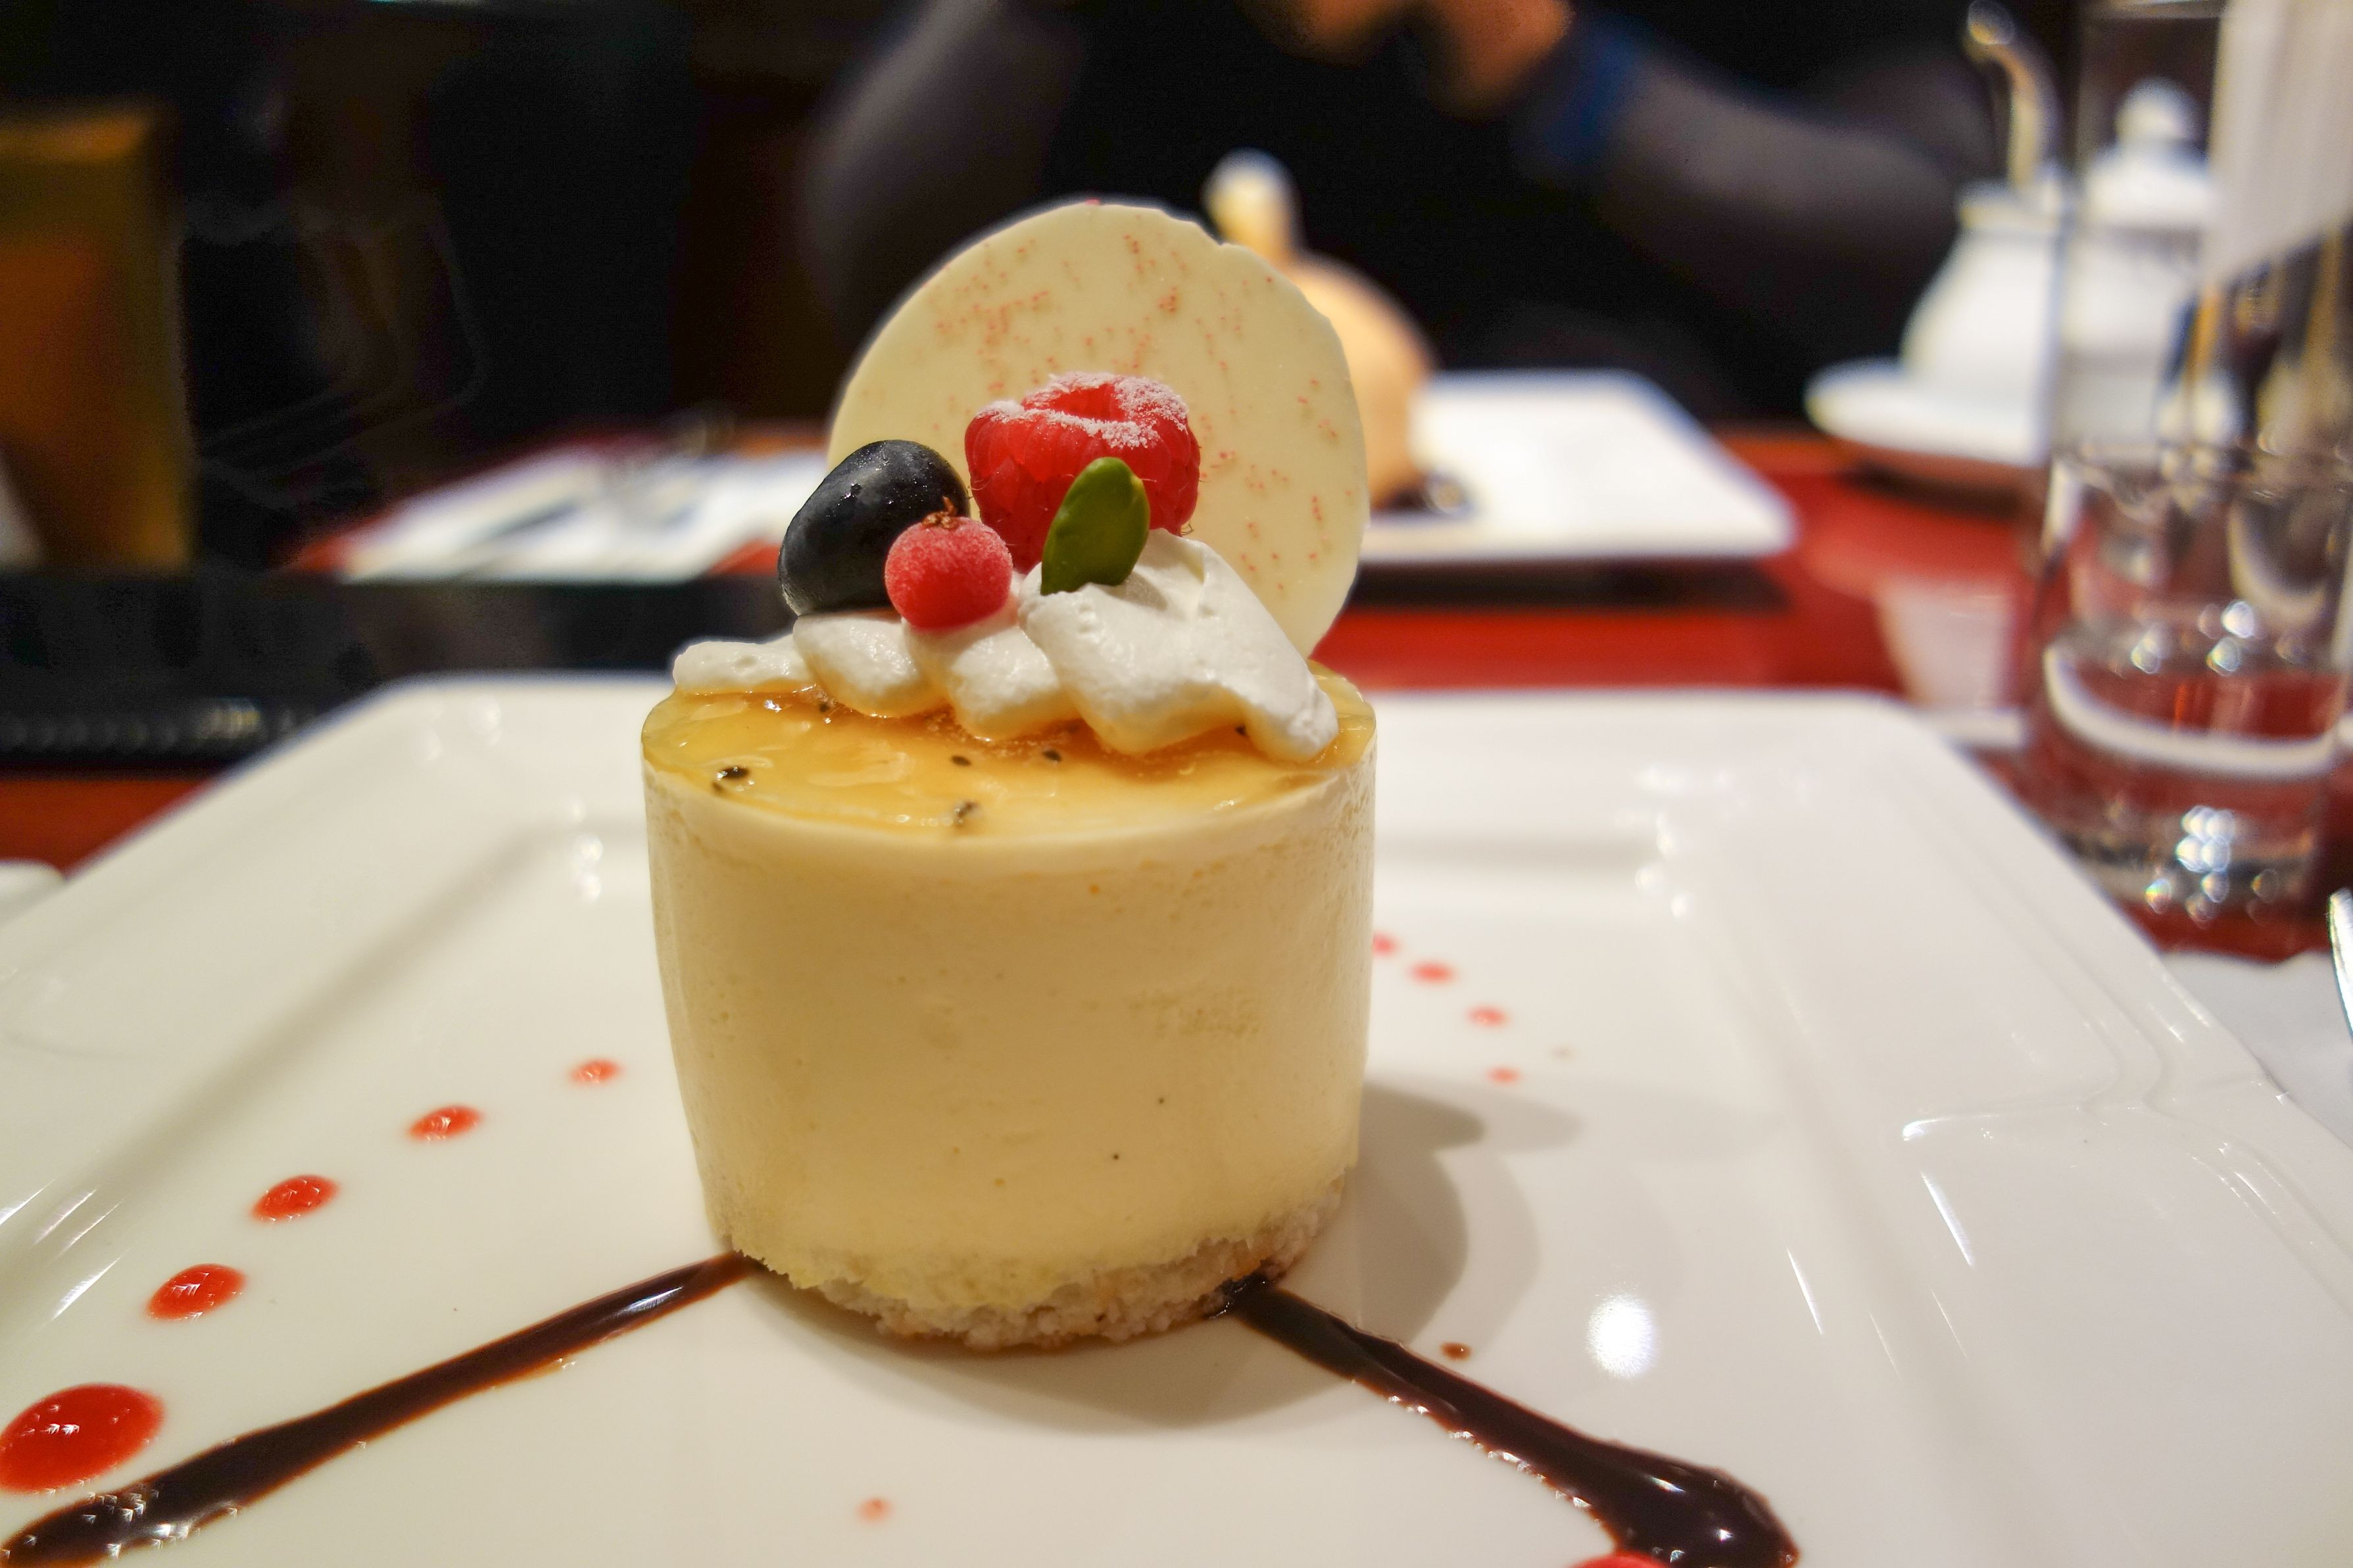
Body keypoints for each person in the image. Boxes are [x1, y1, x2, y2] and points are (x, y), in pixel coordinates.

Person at [802, 0, 2001, 419]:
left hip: (1655, 582)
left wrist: (1540, 55)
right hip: (1143, 558)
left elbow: (1910, 245)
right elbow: (864, 266)